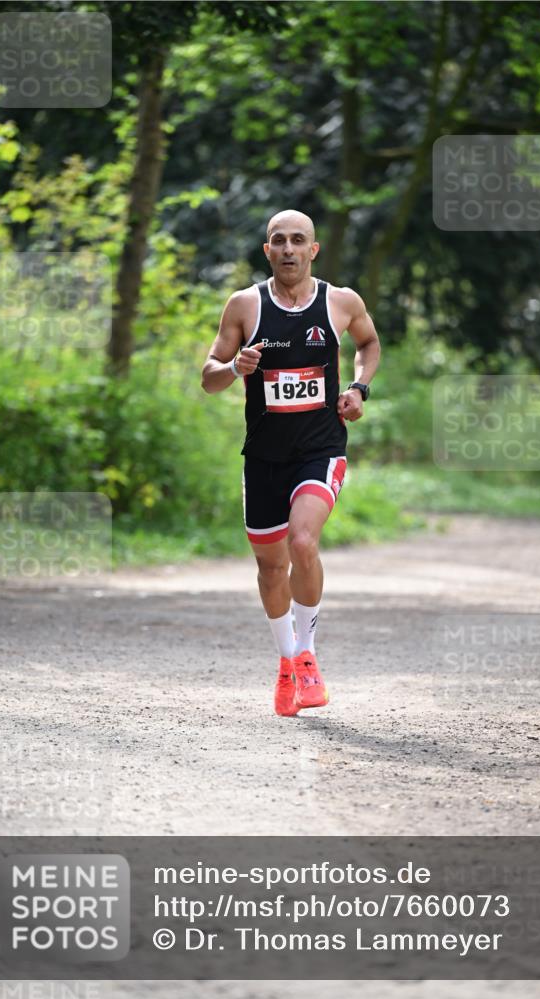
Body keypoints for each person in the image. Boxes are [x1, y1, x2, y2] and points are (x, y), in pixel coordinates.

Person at [201, 210, 380, 716]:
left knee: (303, 540)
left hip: (321, 449)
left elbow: (369, 343)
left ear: (313, 250)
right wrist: (234, 367)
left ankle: (308, 657)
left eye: (298, 240)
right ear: (267, 251)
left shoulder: (340, 302)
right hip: (263, 458)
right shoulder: (244, 305)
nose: (288, 249)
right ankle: (286, 662)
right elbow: (209, 375)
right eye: (278, 241)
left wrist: (358, 388)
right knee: (270, 566)